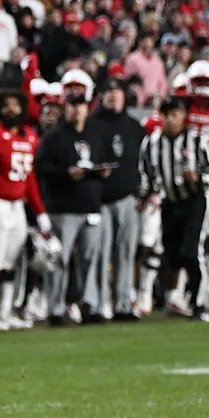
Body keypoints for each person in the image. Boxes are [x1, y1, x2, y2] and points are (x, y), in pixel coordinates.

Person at [139, 97, 209, 322]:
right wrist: (144, 195)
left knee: (191, 252)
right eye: (166, 115)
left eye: (174, 114)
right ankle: (174, 299)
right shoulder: (151, 143)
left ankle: (199, 305)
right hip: (169, 202)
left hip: (193, 201)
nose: (170, 119)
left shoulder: (197, 140)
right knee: (172, 254)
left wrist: (200, 177)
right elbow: (146, 173)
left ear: (183, 116)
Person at [0, 89, 52, 331]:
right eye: (6, 105)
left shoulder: (29, 136)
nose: (11, 110)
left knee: (9, 262)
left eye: (15, 105)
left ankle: (4, 312)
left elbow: (29, 179)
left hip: (17, 206)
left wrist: (40, 212)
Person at [35, 78, 111, 325]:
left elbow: (107, 159)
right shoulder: (54, 137)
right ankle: (56, 309)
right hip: (63, 208)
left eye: (80, 105)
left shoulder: (96, 134)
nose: (77, 110)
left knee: (90, 260)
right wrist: (66, 173)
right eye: (72, 105)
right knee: (60, 260)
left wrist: (103, 171)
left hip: (91, 205)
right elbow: (42, 168)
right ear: (65, 108)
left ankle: (90, 305)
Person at [89, 75, 146, 321]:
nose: (113, 95)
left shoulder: (134, 127)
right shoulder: (91, 124)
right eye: (108, 91)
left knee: (126, 253)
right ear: (101, 96)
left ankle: (123, 303)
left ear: (124, 96)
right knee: (101, 255)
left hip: (128, 198)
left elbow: (144, 163)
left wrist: (141, 193)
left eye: (117, 91)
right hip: (100, 199)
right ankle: (101, 304)